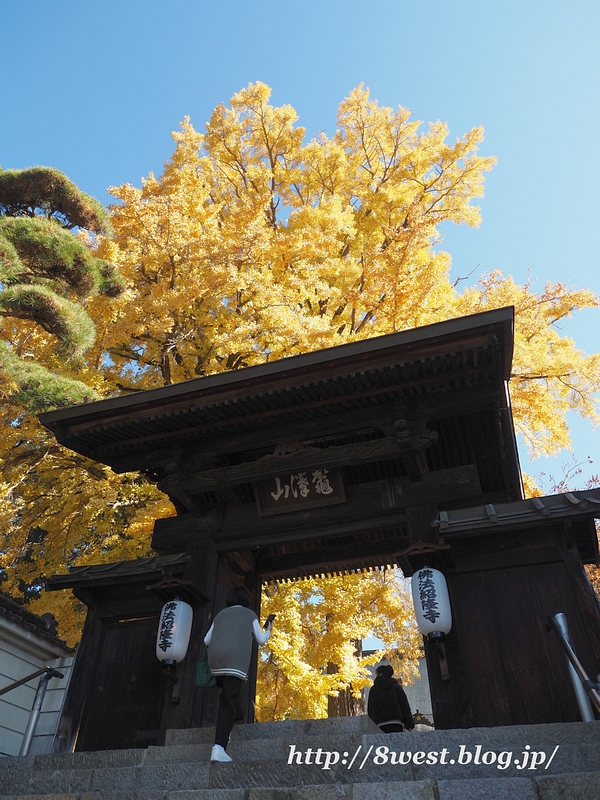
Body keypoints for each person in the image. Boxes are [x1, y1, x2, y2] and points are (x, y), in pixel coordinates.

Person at [203, 586, 273, 763]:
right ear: (246, 600)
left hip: (216, 660)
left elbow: (206, 640)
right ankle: (219, 747)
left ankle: (234, 718)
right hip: (235, 661)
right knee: (228, 701)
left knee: (228, 696)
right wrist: (269, 629)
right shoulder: (250, 615)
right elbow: (261, 640)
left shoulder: (220, 615)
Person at [367, 664, 415, 733]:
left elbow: (370, 709)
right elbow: (404, 705)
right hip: (396, 721)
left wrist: (371, 727)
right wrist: (409, 725)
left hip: (379, 723)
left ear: (380, 674)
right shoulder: (396, 687)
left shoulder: (373, 690)